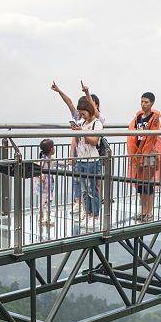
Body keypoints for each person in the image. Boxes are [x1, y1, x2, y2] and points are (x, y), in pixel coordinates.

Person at [52, 80, 104, 212]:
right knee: (83, 186)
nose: (80, 114)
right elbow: (69, 102)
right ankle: (81, 205)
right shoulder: (80, 119)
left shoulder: (98, 120)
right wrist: (59, 91)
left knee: (93, 186)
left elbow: (94, 140)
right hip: (81, 155)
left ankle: (95, 213)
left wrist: (87, 93)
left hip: (93, 156)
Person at [127, 92, 161, 222]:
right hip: (138, 153)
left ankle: (149, 212)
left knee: (148, 184)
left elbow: (152, 137)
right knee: (141, 184)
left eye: (146, 102)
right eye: (142, 101)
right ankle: (143, 211)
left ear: (152, 103)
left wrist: (145, 152)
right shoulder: (138, 117)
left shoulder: (155, 118)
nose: (143, 104)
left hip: (150, 154)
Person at [71, 97, 103, 226]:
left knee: (92, 189)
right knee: (84, 190)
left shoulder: (97, 124)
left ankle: (95, 216)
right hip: (81, 159)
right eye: (80, 113)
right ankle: (87, 213)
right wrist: (77, 133)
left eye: (83, 113)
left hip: (92, 160)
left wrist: (82, 132)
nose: (82, 116)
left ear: (89, 110)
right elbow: (80, 141)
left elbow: (95, 141)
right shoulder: (83, 124)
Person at [36, 138, 55, 228]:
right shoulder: (44, 159)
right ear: (51, 149)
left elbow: (57, 163)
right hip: (45, 185)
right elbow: (39, 169)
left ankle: (43, 218)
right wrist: (42, 175)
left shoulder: (46, 158)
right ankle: (45, 218)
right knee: (46, 202)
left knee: (43, 202)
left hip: (46, 185)